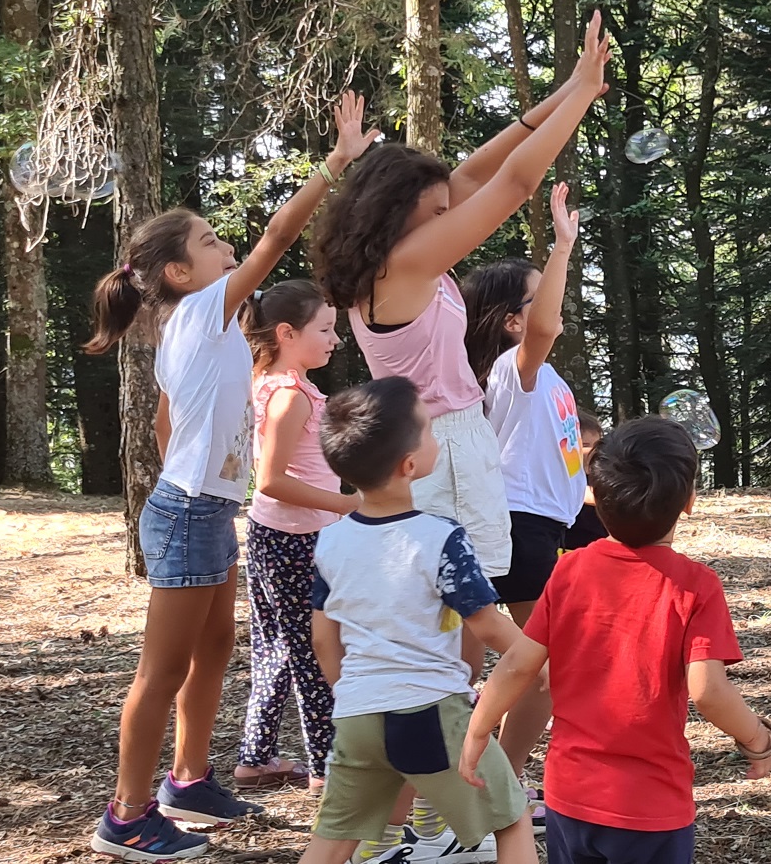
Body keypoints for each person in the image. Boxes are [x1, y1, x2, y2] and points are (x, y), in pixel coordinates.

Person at [85, 93, 378, 862]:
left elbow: (164, 422)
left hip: (201, 507)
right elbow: (279, 237)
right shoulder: (208, 306)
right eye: (213, 242)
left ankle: (188, 778)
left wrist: (204, 473)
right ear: (181, 270)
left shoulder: (185, 329)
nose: (227, 249)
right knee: (164, 669)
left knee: (215, 646)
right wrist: (334, 164)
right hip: (188, 513)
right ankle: (126, 813)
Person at [313, 13, 610, 645]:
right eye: (438, 209)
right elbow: (516, 181)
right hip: (439, 449)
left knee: (462, 620)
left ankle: (458, 730)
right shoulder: (403, 266)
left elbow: (477, 172)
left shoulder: (396, 261)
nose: (451, 213)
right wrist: (581, 94)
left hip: (454, 442)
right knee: (453, 623)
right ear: (396, 211)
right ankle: (447, 728)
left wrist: (569, 88)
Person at [460, 417, 771, 864]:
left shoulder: (570, 570)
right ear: (688, 501)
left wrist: (478, 734)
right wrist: (757, 738)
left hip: (569, 796)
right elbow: (709, 691)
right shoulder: (696, 586)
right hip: (649, 806)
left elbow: (516, 665)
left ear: (596, 501)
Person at [297, 376, 535, 864]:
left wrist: (355, 692)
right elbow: (488, 627)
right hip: (431, 713)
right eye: (428, 429)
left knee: (333, 842)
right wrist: (542, 659)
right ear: (410, 466)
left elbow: (324, 641)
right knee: (511, 822)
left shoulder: (332, 541)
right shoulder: (442, 536)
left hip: (358, 715)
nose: (435, 436)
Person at [460, 182, 587, 810]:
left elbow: (559, 458)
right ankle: (500, 782)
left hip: (548, 521)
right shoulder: (515, 367)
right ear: (515, 321)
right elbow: (547, 325)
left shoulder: (542, 376)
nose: (553, 311)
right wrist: (562, 246)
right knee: (543, 665)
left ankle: (501, 781)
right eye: (538, 301)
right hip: (517, 525)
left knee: (542, 664)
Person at [234, 280, 361, 793]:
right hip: (296, 540)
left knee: (277, 646)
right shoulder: (290, 396)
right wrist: (349, 504)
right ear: (286, 333)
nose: (335, 340)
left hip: (272, 537)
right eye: (325, 330)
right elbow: (271, 479)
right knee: (313, 647)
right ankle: (325, 768)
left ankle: (255, 756)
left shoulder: (264, 382)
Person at [563, 409, 607, 551]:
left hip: (599, 546)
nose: (594, 451)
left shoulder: (600, 475)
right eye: (586, 445)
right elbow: (584, 494)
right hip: (571, 549)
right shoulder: (563, 478)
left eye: (598, 445)